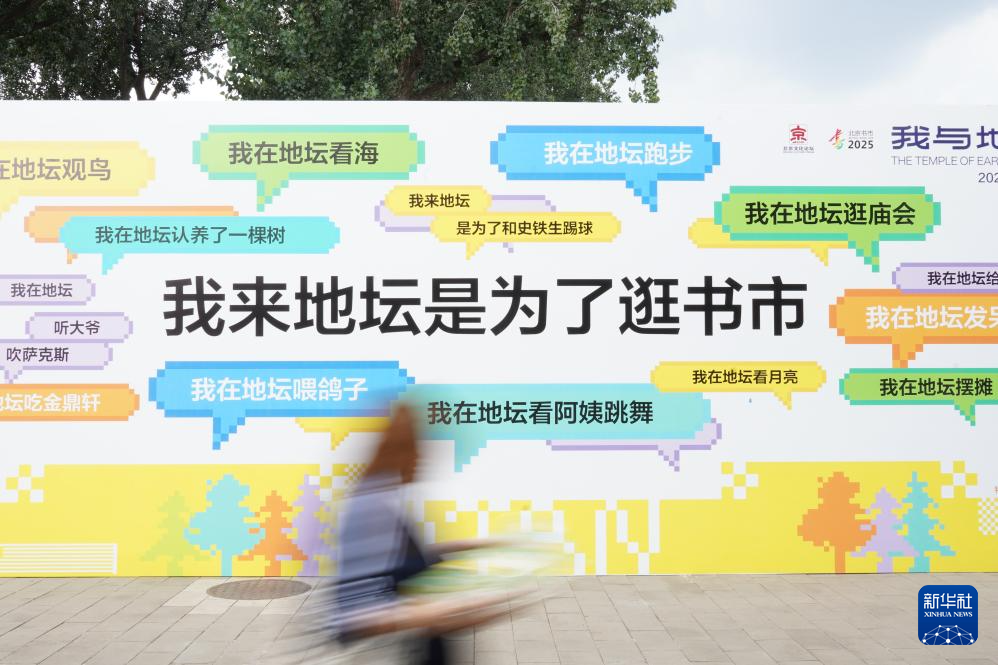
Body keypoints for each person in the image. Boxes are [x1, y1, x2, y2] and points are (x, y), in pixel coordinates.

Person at [332, 403, 514, 664]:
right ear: (402, 452)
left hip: (419, 643)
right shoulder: (371, 507)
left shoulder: (387, 496)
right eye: (418, 452)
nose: (422, 461)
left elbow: (405, 558)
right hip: (390, 650)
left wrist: (477, 545)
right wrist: (442, 613)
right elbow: (354, 612)